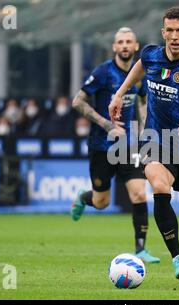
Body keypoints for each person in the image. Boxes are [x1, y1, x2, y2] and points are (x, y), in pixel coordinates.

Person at [108, 7, 179, 281]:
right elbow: (139, 67)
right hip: (156, 141)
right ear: (163, 32)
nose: (174, 36)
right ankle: (178, 258)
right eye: (169, 31)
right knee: (159, 186)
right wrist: (119, 94)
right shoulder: (151, 54)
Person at [70, 27, 160, 263]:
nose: (124, 45)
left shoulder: (138, 74)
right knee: (102, 202)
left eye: (129, 41)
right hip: (102, 145)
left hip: (129, 147)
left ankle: (140, 249)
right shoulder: (103, 72)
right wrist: (106, 124)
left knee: (140, 193)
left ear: (136, 46)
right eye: (120, 41)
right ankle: (83, 198)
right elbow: (77, 101)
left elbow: (142, 100)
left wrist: (144, 130)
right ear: (114, 47)